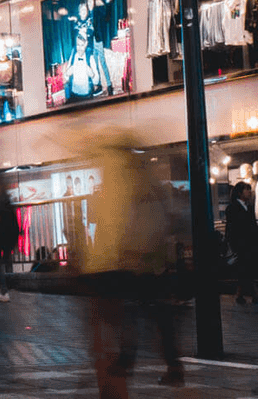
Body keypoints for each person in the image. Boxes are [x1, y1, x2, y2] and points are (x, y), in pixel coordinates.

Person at [74, 129, 183, 395]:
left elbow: (135, 220)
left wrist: (131, 250)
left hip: (136, 260)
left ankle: (131, 364)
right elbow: (163, 218)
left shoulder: (129, 181)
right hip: (148, 260)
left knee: (136, 317)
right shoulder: (146, 179)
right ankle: (167, 366)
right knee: (154, 316)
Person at [225, 181, 258, 304]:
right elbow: (231, 228)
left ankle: (240, 294)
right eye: (247, 190)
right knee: (247, 268)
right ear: (239, 192)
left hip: (251, 243)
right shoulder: (233, 208)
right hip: (241, 244)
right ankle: (255, 294)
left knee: (246, 269)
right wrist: (233, 244)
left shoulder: (248, 207)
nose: (249, 192)